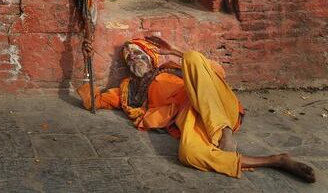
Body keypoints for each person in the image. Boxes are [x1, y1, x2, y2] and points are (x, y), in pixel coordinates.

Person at [78, 37, 316, 182]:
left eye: (137, 52)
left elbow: (216, 73)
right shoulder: (128, 90)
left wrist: (174, 52)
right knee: (188, 154)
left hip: (219, 104)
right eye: (128, 57)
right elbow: (92, 100)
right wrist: (85, 61)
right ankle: (275, 160)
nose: (132, 58)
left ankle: (224, 131)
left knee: (192, 57)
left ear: (151, 56)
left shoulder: (173, 66)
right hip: (190, 118)